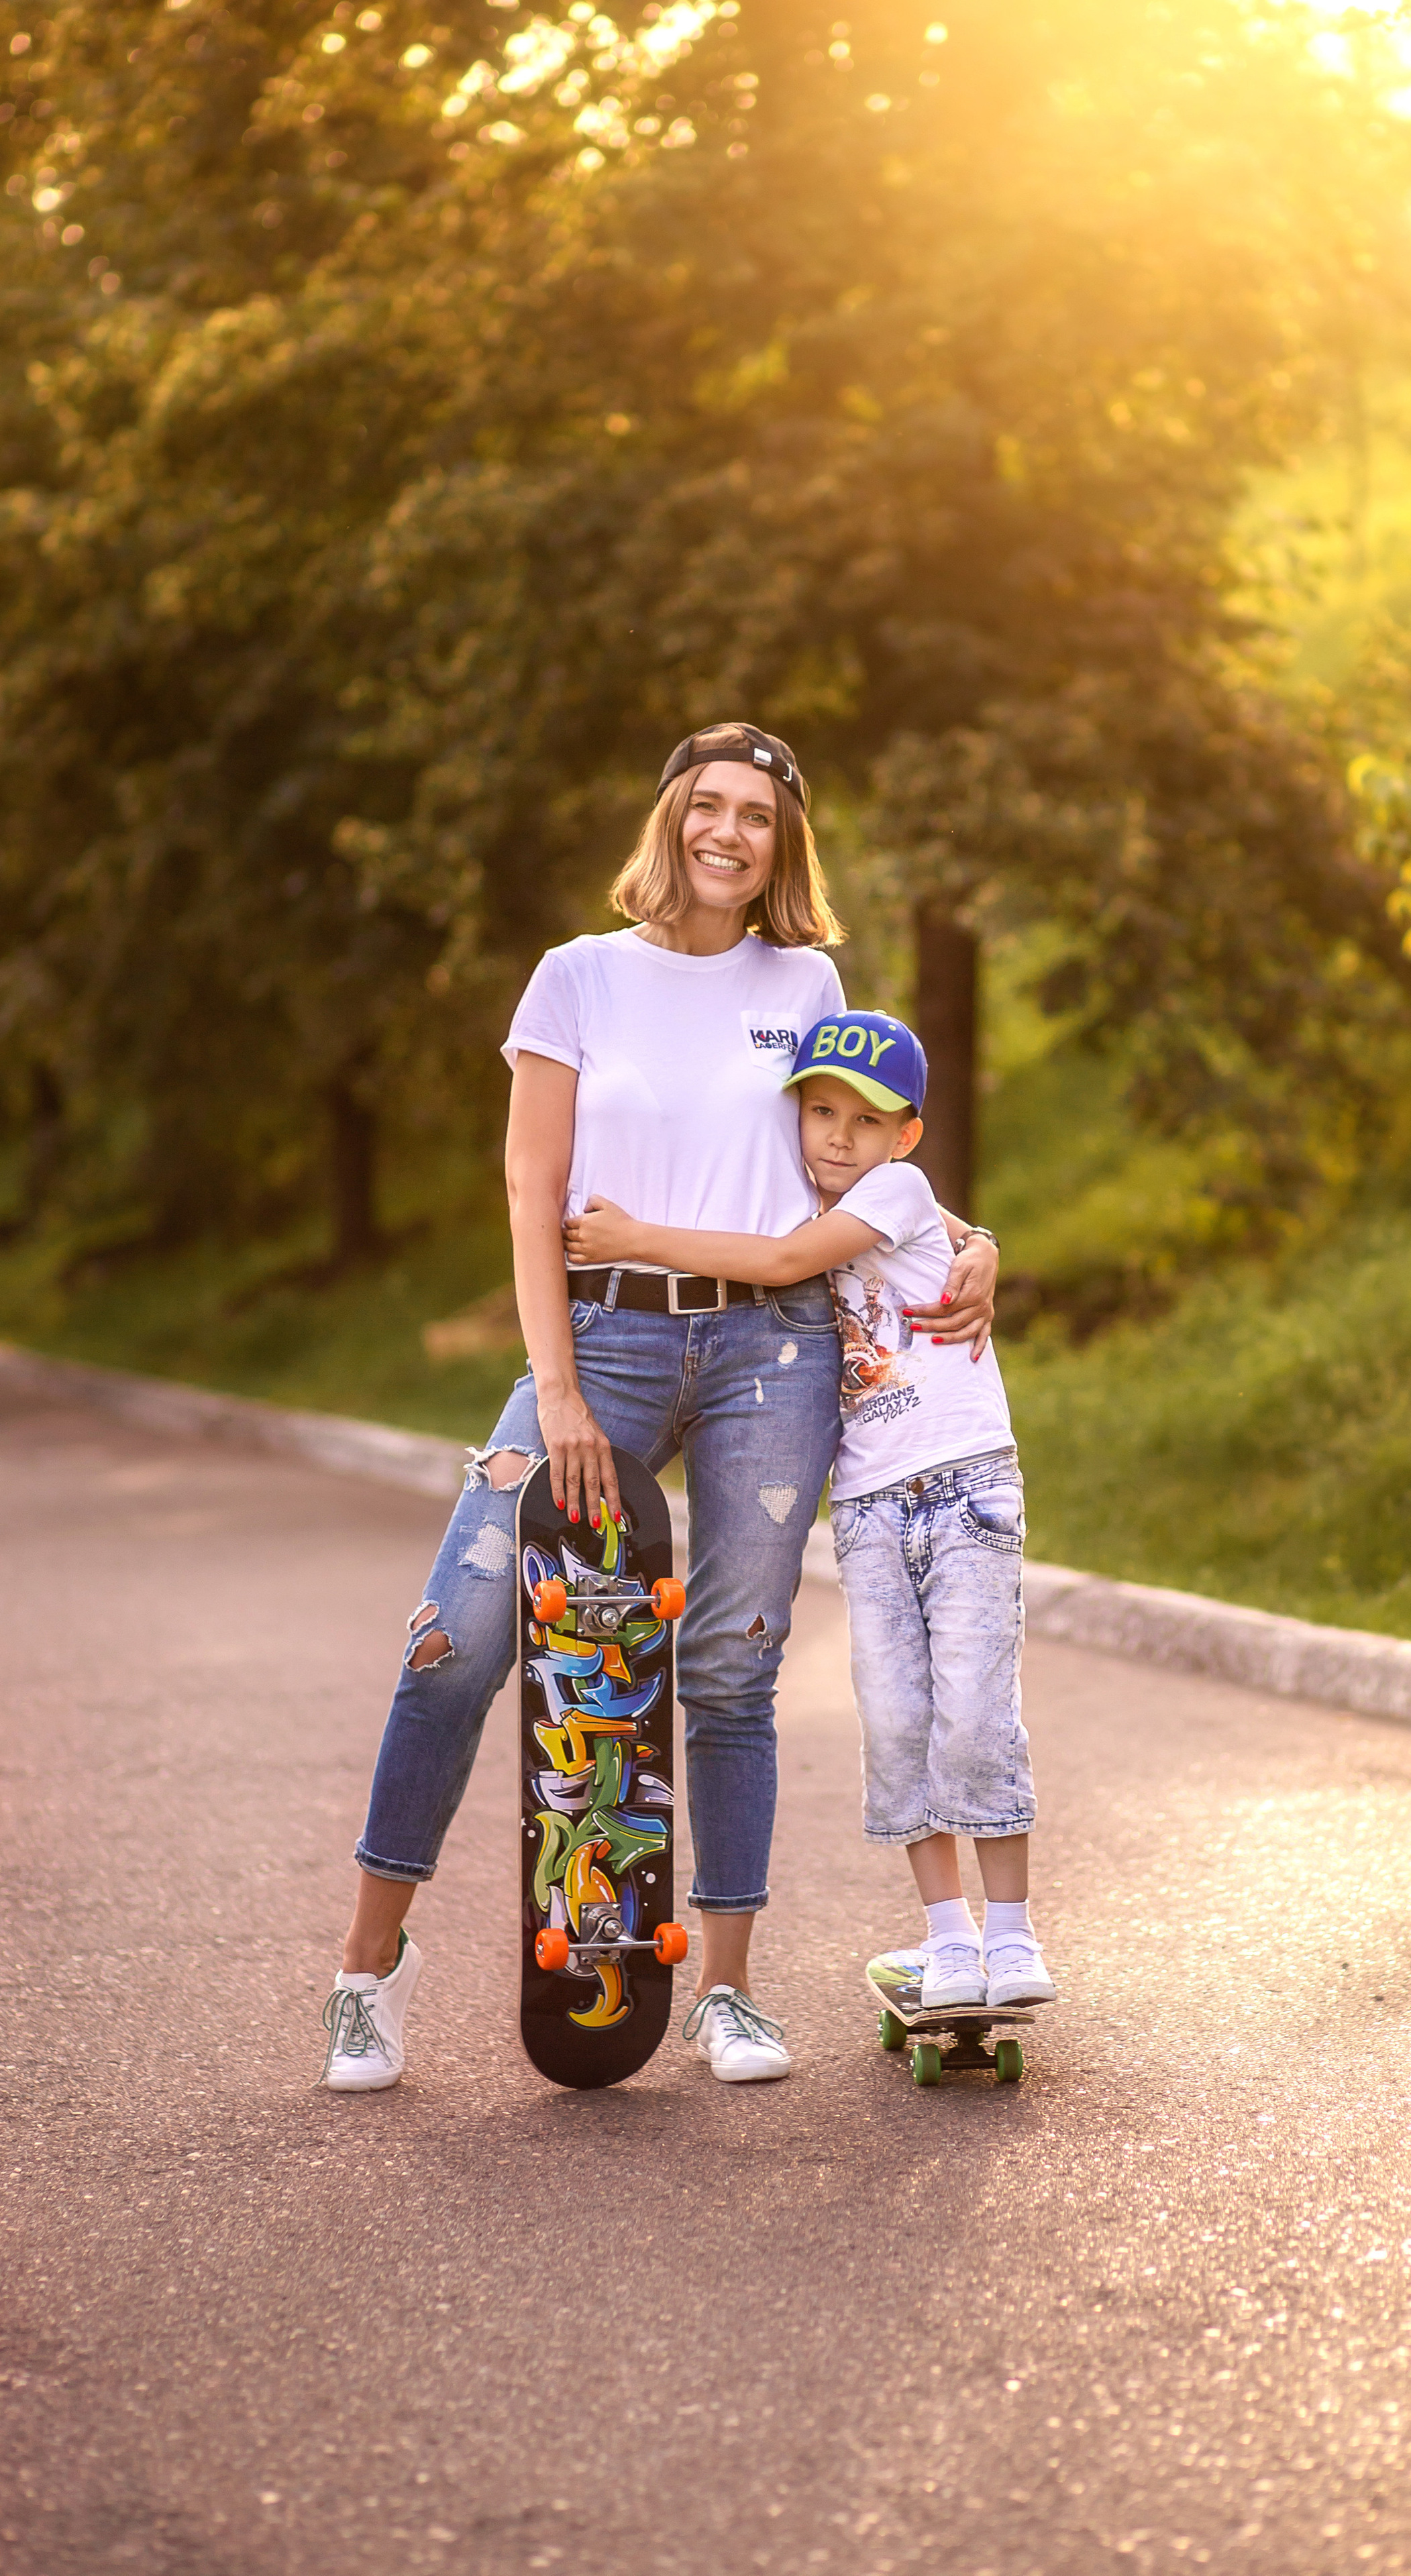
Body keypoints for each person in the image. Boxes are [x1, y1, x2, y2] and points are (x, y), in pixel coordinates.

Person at [318, 728, 1000, 2093]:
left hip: (773, 1356)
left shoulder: (802, 978)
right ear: (671, 819)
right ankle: (364, 1968)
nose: (730, 833)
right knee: (455, 1638)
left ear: (778, 847)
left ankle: (726, 1994)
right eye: (710, 806)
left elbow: (846, 1149)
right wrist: (557, 1388)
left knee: (735, 1671)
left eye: (758, 815)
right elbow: (530, 1194)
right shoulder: (577, 978)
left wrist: (966, 1237)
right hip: (604, 1342)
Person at [562, 1006, 1055, 2015]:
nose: (838, 1135)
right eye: (819, 1110)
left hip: (963, 1491)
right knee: (896, 1722)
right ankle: (948, 1939)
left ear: (904, 1137)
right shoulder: (804, 1191)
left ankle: (1012, 1935)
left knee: (972, 1716)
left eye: (865, 1120)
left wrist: (633, 1240)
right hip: (869, 1506)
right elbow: (777, 1243)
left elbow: (784, 1265)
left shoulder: (899, 1191)